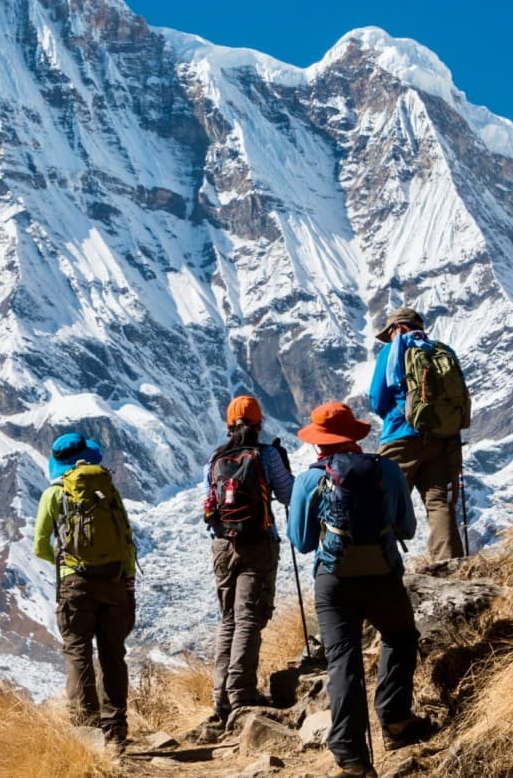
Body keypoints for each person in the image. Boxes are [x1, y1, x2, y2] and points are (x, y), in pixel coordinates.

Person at [287, 401, 431, 778]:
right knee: (400, 637)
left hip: (334, 582)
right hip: (383, 573)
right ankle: (396, 720)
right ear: (354, 436)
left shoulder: (309, 480)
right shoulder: (387, 469)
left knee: (342, 660)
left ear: (320, 445)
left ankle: (352, 758)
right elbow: (407, 527)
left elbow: (301, 541)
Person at [34, 431, 137, 746]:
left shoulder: (53, 495)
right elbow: (127, 539)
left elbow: (40, 545)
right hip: (115, 581)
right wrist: (128, 579)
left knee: (78, 653)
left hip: (75, 584)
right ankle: (116, 729)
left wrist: (65, 563)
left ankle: (86, 732)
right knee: (112, 655)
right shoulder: (107, 488)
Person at [203, 394, 295, 723]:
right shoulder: (266, 454)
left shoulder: (215, 459)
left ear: (229, 425)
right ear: (259, 424)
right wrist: (283, 466)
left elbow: (210, 505)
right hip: (258, 544)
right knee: (249, 619)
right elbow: (287, 495)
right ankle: (241, 693)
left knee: (229, 618)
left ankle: (220, 697)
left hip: (223, 547)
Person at [368, 306, 470, 562]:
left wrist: (399, 414)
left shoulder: (392, 351)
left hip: (401, 438)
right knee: (440, 504)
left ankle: (380, 571)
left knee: (382, 505)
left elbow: (378, 399)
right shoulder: (442, 350)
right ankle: (450, 567)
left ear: (396, 328)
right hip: (443, 438)